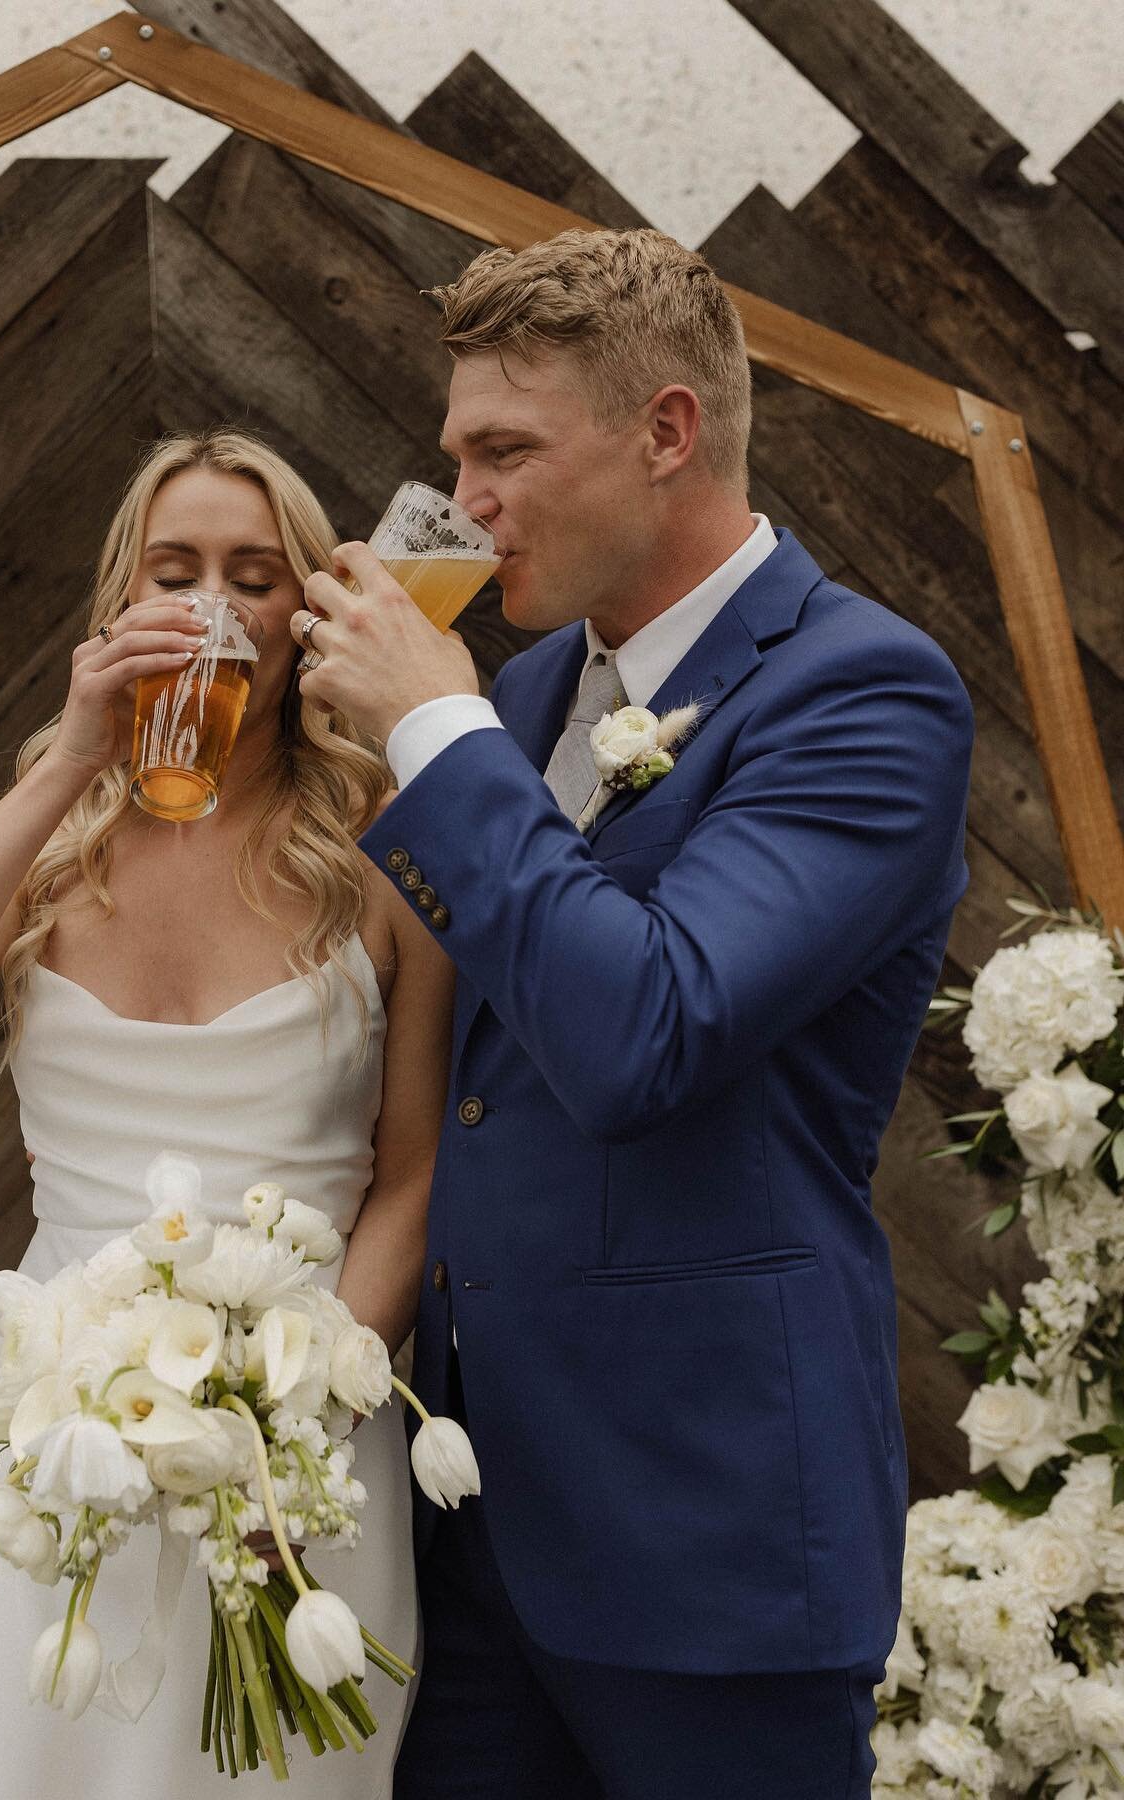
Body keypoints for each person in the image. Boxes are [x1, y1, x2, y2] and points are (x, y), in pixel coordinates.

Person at [288, 227, 976, 1798]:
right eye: (460, 455)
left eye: (508, 452)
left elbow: (645, 1031)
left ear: (667, 432)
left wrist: (439, 733)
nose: (468, 503)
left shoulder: (863, 692)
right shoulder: (522, 703)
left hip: (704, 1538)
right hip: (463, 1532)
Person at [0, 428, 454, 1797]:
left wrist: (303, 1433)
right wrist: (69, 764)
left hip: (306, 1459)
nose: (216, 607)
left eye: (255, 575)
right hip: (50, 1440)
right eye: (176, 572)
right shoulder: (53, 837)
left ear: (308, 612)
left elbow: (412, 1174)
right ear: (121, 605)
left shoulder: (388, 838)